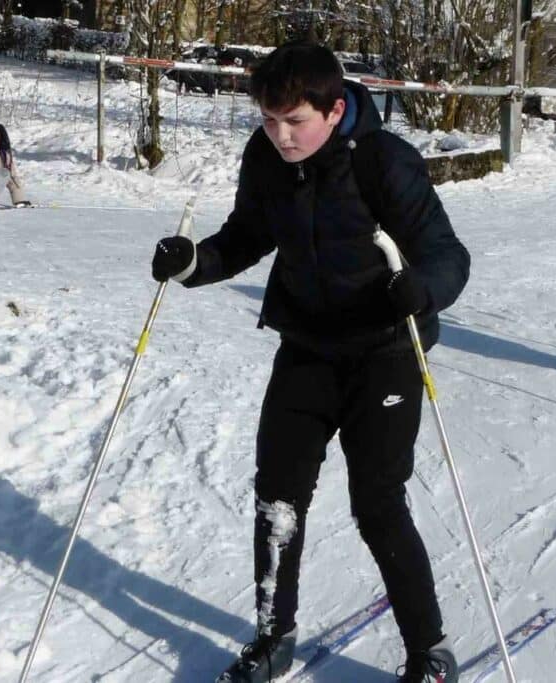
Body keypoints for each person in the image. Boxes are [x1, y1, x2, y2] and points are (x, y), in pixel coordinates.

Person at [150, 42, 470, 683]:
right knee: (277, 500)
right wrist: (193, 264)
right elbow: (247, 235)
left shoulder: (384, 161)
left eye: (295, 121)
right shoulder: (266, 157)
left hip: (384, 353)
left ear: (334, 109)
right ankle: (274, 637)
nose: (282, 136)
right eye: (269, 121)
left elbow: (448, 254)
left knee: (377, 505)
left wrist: (422, 288)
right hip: (307, 350)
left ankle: (429, 651)